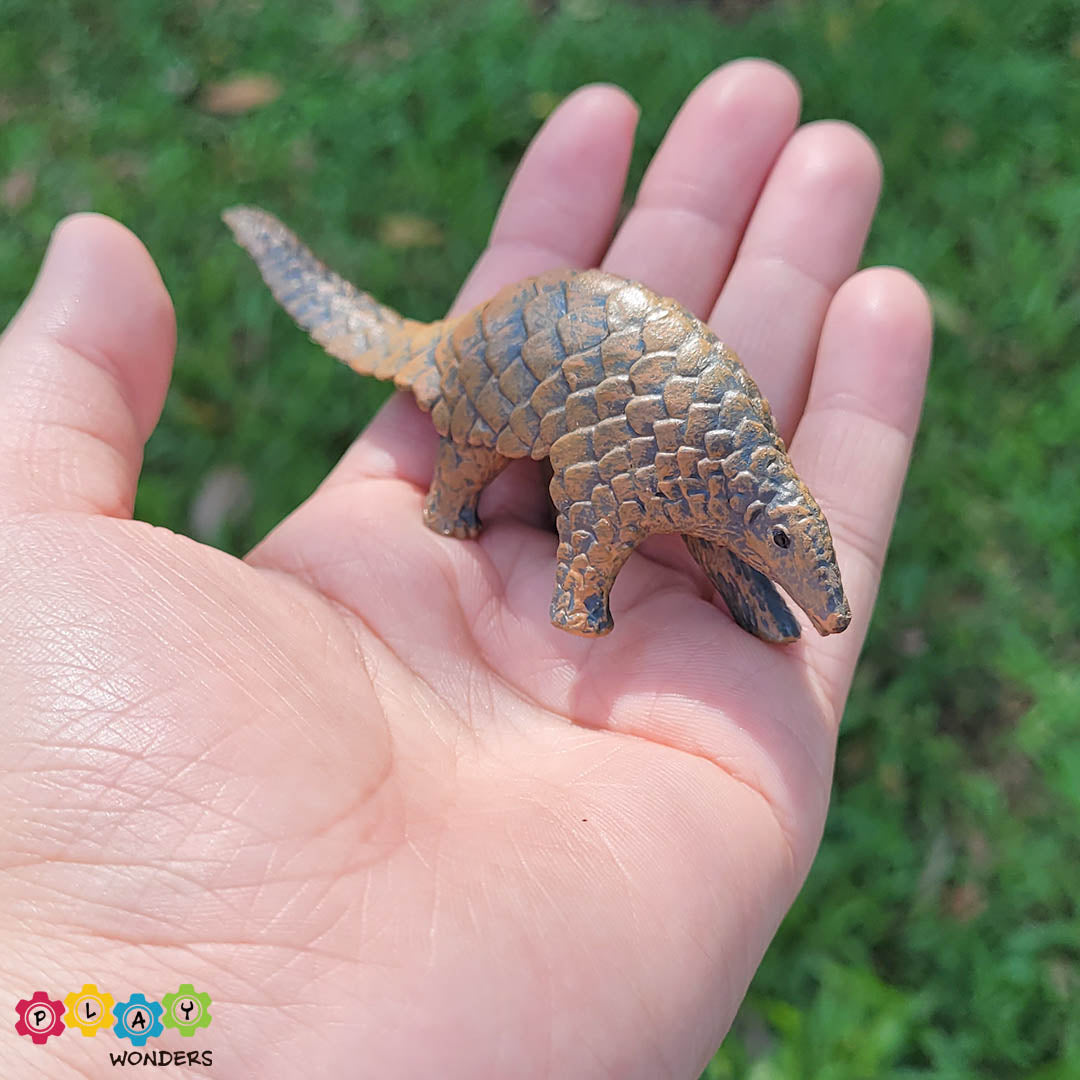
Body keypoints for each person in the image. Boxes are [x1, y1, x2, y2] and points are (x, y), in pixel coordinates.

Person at [0, 60, 930, 1077]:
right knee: (501, 448)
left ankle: (732, 584)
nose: (818, 589)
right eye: (794, 556)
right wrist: (580, 592)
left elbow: (708, 518)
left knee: (711, 535)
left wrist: (769, 595)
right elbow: (603, 502)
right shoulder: (672, 463)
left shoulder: (729, 469)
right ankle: (453, 500)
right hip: (516, 363)